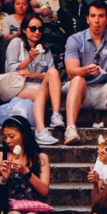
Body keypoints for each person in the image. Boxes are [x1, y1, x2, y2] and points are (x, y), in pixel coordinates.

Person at [63, 0, 107, 144]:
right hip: (81, 91)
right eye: (93, 16)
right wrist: (85, 70)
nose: (97, 21)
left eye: (101, 16)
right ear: (87, 19)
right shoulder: (75, 40)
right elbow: (71, 72)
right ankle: (70, 129)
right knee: (78, 79)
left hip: (105, 92)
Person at [4, 12, 64, 145]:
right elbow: (10, 70)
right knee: (40, 94)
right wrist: (29, 59)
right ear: (24, 30)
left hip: (39, 86)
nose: (37, 32)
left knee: (53, 72)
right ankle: (40, 131)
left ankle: (55, 115)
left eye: (40, 29)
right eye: (33, 28)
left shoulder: (45, 50)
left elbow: (51, 76)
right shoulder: (15, 43)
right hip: (20, 87)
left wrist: (34, 75)